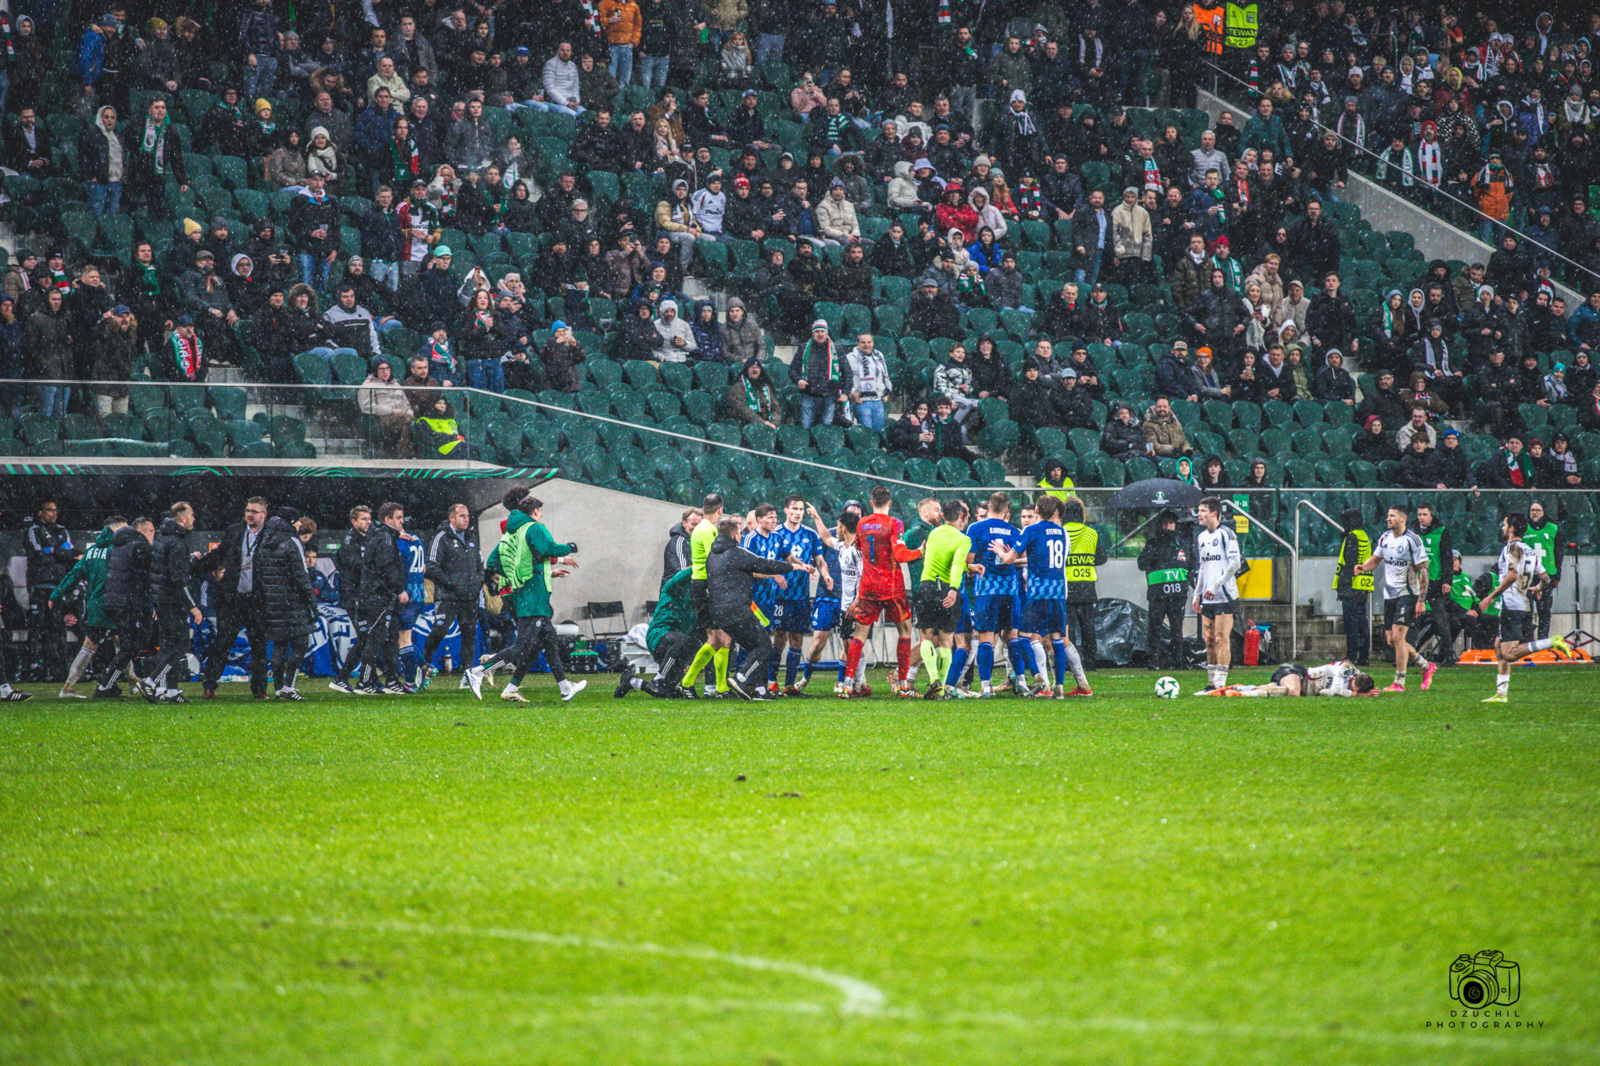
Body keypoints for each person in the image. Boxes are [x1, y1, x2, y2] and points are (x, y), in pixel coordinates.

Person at [468, 492, 586, 703]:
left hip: (520, 593)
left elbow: (496, 562)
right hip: (531, 596)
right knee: (523, 646)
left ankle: (561, 687)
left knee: (547, 641)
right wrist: (570, 548)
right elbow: (546, 549)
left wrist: (526, 575)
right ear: (535, 510)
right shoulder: (531, 528)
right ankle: (480, 670)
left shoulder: (511, 532)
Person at [705, 515, 816, 700]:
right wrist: (797, 567)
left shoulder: (712, 555)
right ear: (734, 536)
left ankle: (759, 690)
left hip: (717, 612)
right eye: (739, 533)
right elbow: (765, 564)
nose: (741, 536)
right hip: (736, 609)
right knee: (764, 644)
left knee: (754, 646)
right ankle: (741, 678)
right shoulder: (736, 553)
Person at [1478, 513, 1572, 703]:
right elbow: (1546, 578)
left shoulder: (1511, 548)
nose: (1503, 527)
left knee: (1508, 654)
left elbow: (1512, 575)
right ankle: (1501, 694)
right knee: (1498, 646)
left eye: (1505, 524)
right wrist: (1538, 588)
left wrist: (1491, 596)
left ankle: (1551, 642)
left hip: (1512, 606)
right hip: (1524, 605)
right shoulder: (1529, 550)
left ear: (1512, 528)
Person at [841, 487, 921, 698]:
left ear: (871, 501)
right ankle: (903, 685)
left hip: (868, 587)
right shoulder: (894, 523)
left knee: (859, 634)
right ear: (890, 502)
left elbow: (858, 546)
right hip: (892, 587)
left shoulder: (862, 523)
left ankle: (848, 685)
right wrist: (921, 551)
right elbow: (901, 554)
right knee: (904, 631)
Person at [191, 497, 270, 700]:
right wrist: (197, 566)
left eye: (254, 511)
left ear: (264, 514)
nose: (249, 514)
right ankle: (209, 685)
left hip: (258, 600)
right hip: (233, 598)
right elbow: (220, 554)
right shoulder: (236, 531)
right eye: (247, 510)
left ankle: (260, 689)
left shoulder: (271, 534)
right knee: (223, 643)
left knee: (259, 645)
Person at [1355, 503, 1436, 694]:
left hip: (1407, 594)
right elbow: (1375, 560)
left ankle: (1399, 682)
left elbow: (1424, 571)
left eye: (1392, 516)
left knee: (1399, 637)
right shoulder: (1385, 538)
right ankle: (1426, 666)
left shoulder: (1413, 540)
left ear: (1403, 519)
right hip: (1389, 595)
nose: (1388, 519)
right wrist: (1362, 567)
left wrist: (1421, 600)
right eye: (1388, 516)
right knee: (1391, 640)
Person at [1020, 496, 1093, 698]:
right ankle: (1076, 684)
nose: (1027, 518)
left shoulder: (1040, 532)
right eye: (1023, 516)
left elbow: (1041, 557)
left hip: (1044, 591)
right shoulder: (1062, 534)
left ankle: (1043, 684)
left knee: (1041, 637)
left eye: (1030, 514)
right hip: (1058, 591)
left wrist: (1015, 559)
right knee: (1055, 639)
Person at [49, 516, 124, 699]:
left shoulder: (91, 552)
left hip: (96, 605)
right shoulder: (117, 550)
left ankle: (69, 687)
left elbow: (73, 575)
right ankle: (71, 688)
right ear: (115, 530)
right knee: (124, 645)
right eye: (124, 529)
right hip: (112, 604)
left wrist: (56, 595)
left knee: (111, 644)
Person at [914, 499, 977, 700]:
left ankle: (933, 680)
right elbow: (957, 564)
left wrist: (970, 568)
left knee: (925, 636)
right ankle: (940, 685)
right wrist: (953, 590)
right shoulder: (963, 539)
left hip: (927, 587)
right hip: (948, 590)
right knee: (946, 641)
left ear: (943, 516)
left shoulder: (933, 533)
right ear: (961, 516)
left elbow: (936, 559)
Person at [253, 505, 317, 701]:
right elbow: (301, 575)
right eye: (297, 520)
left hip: (272, 602)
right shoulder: (292, 541)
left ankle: (279, 688)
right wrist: (312, 601)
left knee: (280, 644)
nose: (299, 524)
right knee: (300, 643)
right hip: (293, 601)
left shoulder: (263, 540)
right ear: (291, 521)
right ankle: (289, 686)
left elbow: (258, 573)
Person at [142, 503, 202, 703]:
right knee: (179, 646)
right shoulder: (177, 543)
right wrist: (193, 607)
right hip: (172, 602)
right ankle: (150, 681)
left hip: (161, 600)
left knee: (168, 646)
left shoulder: (162, 537)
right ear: (182, 518)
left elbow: (163, 570)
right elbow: (179, 579)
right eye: (192, 515)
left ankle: (171, 691)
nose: (194, 519)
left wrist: (190, 560)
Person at [768, 496, 828, 695]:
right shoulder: (775, 533)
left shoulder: (810, 534)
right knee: (779, 638)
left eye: (801, 509)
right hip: (779, 594)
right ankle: (771, 682)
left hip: (801, 595)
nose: (798, 512)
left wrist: (825, 574)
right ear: (785, 510)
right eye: (794, 508)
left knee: (797, 639)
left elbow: (820, 560)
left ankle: (789, 686)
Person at [419, 503, 483, 688]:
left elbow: (480, 565)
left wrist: (478, 582)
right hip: (448, 597)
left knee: (469, 635)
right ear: (451, 518)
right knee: (438, 632)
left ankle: (468, 675)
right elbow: (431, 566)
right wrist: (451, 583)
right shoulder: (442, 538)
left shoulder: (472, 537)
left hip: (469, 597)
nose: (466, 518)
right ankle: (422, 669)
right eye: (462, 515)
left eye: (467, 515)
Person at [95, 517, 157, 700]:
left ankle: (106, 682)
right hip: (127, 603)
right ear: (142, 531)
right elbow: (148, 574)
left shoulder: (119, 546)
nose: (154, 535)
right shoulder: (139, 546)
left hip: (115, 601)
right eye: (151, 531)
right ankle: (106, 681)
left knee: (129, 645)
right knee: (132, 645)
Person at [614, 566, 698, 699]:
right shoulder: (673, 588)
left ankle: (632, 681)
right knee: (683, 640)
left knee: (666, 693)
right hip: (659, 636)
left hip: (677, 647)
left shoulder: (698, 599)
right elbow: (680, 578)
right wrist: (701, 565)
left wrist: (688, 662)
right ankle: (659, 678)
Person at [1193, 497, 1241, 695]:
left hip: (1225, 595)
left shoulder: (1226, 534)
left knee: (1222, 637)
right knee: (1209, 639)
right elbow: (1203, 567)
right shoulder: (1201, 537)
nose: (1199, 514)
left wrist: (1217, 585)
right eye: (1198, 510)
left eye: (1203, 510)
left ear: (1214, 513)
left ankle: (1221, 683)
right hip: (1208, 597)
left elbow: (1235, 563)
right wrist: (1197, 594)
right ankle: (1211, 683)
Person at [24, 500, 74, 684]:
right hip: (39, 586)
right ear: (40, 512)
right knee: (37, 627)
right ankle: (35, 668)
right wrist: (57, 551)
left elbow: (69, 552)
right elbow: (38, 555)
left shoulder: (62, 530)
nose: (54, 513)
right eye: (50, 510)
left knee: (57, 628)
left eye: (55, 510)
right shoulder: (33, 530)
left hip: (58, 587)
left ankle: (59, 669)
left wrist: (52, 550)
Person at [1137, 509, 1191, 672]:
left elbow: (1192, 564)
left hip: (1177, 595)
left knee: (1176, 629)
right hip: (1158, 595)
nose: (1168, 526)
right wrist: (1155, 553)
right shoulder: (1152, 543)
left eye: (1171, 523)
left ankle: (1177, 661)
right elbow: (1141, 564)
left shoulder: (1182, 543)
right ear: (1160, 525)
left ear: (1176, 525)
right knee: (1155, 629)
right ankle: (1154, 661)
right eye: (1166, 523)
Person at [1059, 497, 1106, 681]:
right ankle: (1090, 662)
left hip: (1068, 587)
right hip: (1087, 587)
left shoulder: (1061, 533)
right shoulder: (1092, 533)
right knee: (1088, 628)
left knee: (1068, 629)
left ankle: (1071, 662)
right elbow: (1102, 558)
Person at [1332, 506, 1373, 666]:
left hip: (1351, 586)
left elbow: (1349, 563)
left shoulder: (1352, 536)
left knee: (1351, 624)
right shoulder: (1364, 535)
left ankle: (1352, 656)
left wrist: (1342, 585)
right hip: (1363, 585)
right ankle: (1364, 656)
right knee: (1362, 622)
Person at [1214, 660, 1377, 697]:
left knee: (1277, 689)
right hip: (1295, 671)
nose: (1348, 687)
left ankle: (1239, 688)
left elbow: (1328, 692)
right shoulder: (1344, 669)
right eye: (1350, 686)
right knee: (1293, 692)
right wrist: (1359, 695)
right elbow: (1330, 692)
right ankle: (1243, 695)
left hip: (1298, 679)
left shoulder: (1357, 676)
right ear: (1353, 678)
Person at [1524, 501, 1563, 642]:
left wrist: (1557, 575)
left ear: (1543, 512)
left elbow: (1558, 553)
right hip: (1527, 576)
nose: (1534, 512)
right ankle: (1527, 642)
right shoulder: (1524, 529)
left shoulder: (1553, 529)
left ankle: (1542, 642)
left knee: (1544, 612)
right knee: (1526, 612)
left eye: (1538, 510)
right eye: (1532, 510)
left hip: (1547, 576)